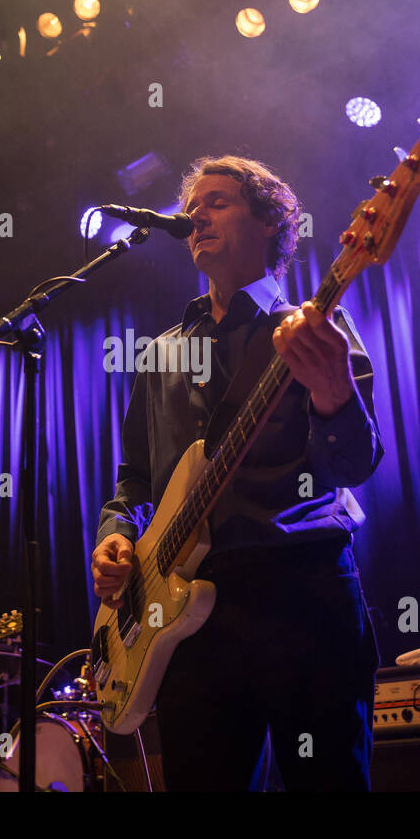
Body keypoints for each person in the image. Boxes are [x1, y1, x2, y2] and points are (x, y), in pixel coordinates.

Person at [92, 155, 383, 791]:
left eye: (217, 202)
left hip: (299, 590)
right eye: (192, 207)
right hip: (186, 620)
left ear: (272, 222)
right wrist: (116, 532)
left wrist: (335, 390)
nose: (196, 215)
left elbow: (354, 464)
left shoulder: (313, 328)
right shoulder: (163, 351)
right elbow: (135, 478)